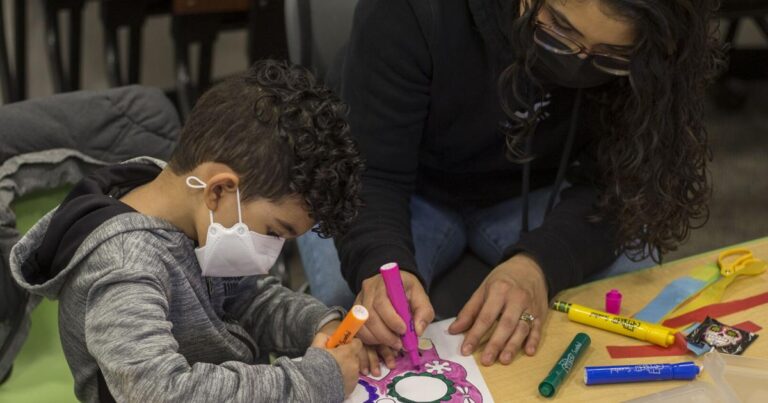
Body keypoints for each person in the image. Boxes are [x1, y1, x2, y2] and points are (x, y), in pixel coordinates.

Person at [298, 0, 723, 368]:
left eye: (610, 56)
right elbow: (370, 174)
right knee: (353, 311)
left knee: (632, 285)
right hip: (402, 185)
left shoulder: (654, 55)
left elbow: (621, 186)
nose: (576, 61)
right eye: (558, 27)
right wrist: (380, 263)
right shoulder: (411, 10)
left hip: (535, 188)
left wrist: (539, 265)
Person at [10, 60, 374, 402]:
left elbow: (248, 298)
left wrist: (318, 324)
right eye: (274, 232)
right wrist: (312, 381)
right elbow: (161, 393)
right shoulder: (123, 266)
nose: (270, 257)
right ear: (218, 190)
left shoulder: (195, 217)